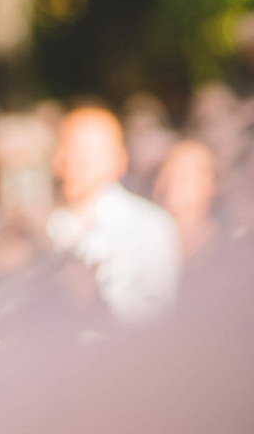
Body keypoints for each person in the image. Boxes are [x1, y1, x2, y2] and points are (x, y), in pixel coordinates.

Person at [45, 106, 181, 324]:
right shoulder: (44, 222)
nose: (70, 162)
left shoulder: (150, 225)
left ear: (119, 160)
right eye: (65, 148)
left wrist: (95, 300)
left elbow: (158, 317)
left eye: (84, 153)